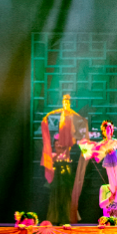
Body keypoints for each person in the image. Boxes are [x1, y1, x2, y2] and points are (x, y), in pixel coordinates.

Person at [40, 94, 88, 224]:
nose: (66, 104)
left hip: (66, 173)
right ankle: (55, 218)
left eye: (67, 102)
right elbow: (54, 112)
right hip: (57, 175)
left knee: (66, 195)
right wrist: (47, 116)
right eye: (64, 102)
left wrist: (81, 120)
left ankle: (66, 218)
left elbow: (77, 118)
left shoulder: (70, 113)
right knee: (56, 195)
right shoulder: (54, 154)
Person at [80, 120, 117, 223]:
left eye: (111, 128)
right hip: (109, 161)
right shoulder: (103, 143)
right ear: (103, 131)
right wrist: (89, 153)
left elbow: (115, 145)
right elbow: (96, 150)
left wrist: (111, 147)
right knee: (111, 176)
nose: (109, 130)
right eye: (107, 129)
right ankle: (114, 193)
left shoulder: (113, 141)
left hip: (116, 160)